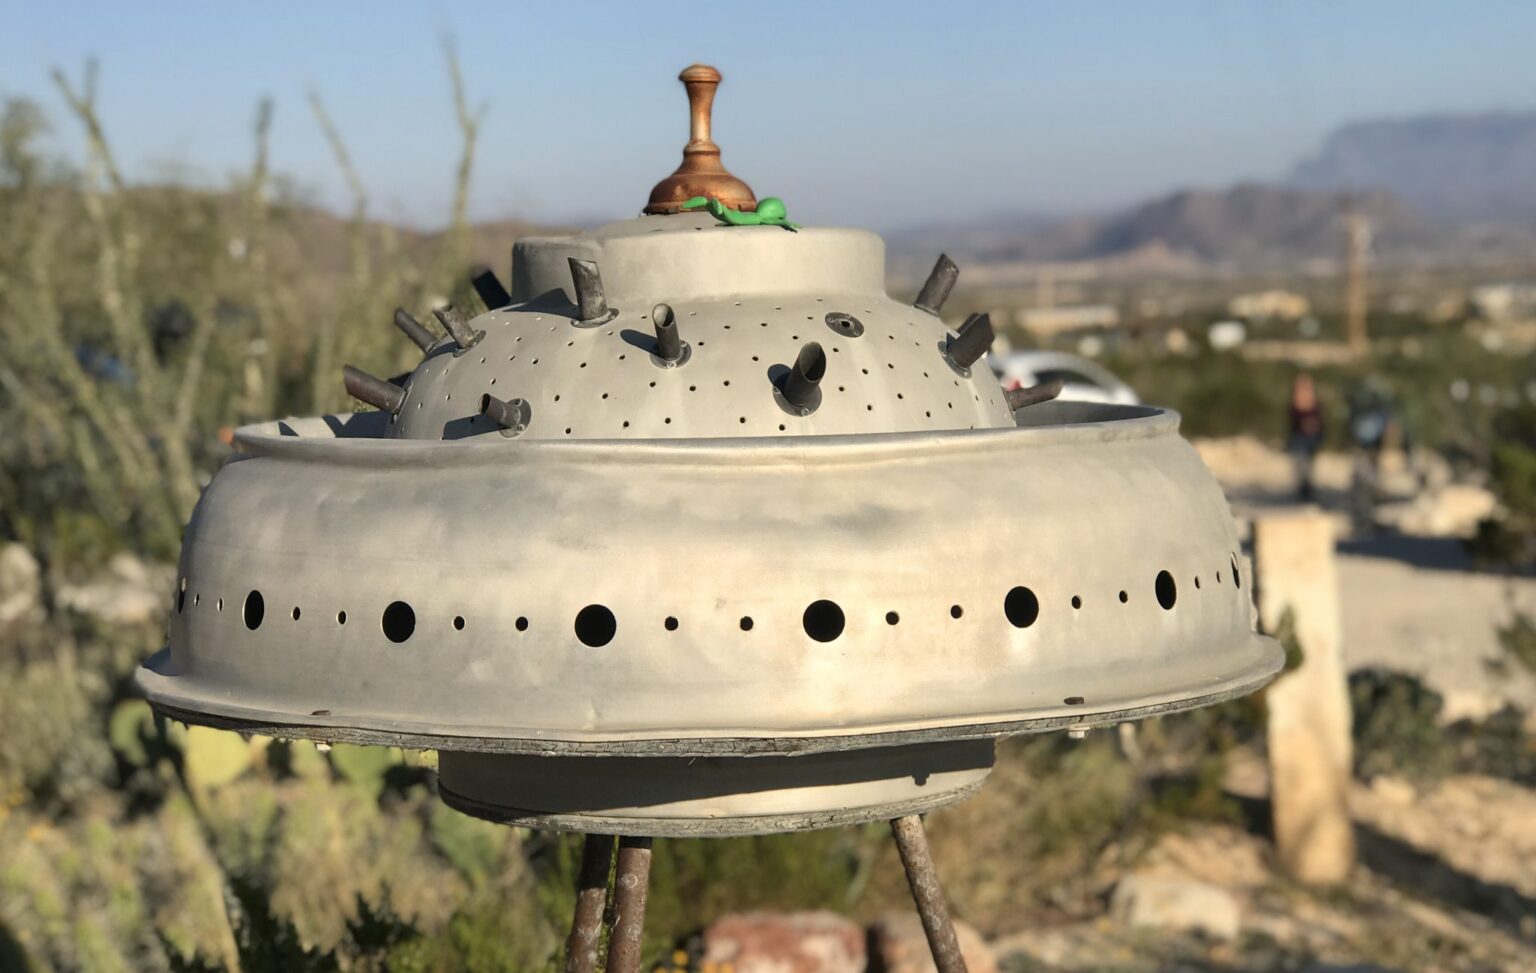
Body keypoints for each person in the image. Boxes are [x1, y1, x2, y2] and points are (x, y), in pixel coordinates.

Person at [1287, 372, 1324, 502]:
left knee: (1307, 467)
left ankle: (1307, 491)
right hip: (1299, 438)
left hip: (1310, 439)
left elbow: (1320, 422)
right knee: (1299, 465)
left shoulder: (1314, 402)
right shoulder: (1295, 401)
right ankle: (1302, 490)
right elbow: (1292, 422)